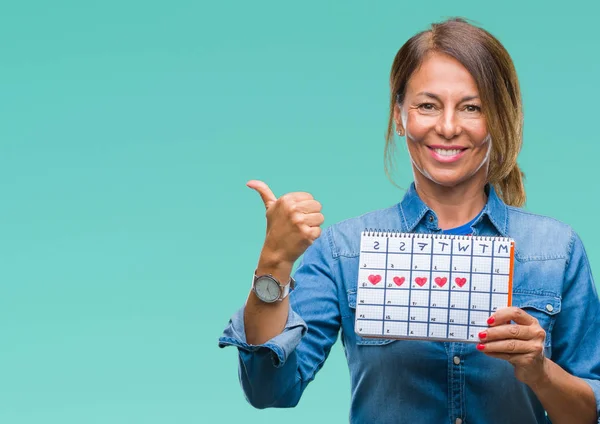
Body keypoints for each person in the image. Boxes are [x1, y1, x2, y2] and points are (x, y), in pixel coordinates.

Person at [218, 18, 600, 424]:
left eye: (472, 107)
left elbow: (587, 414)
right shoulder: (344, 251)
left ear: (498, 119)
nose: (448, 127)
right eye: (428, 105)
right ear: (400, 116)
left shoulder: (556, 250)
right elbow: (268, 391)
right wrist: (274, 263)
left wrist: (540, 372)